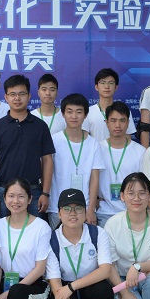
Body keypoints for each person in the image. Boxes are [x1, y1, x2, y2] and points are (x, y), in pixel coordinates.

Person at [46, 189, 116, 299]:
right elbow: (55, 284)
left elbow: (106, 270)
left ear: (85, 213)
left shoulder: (98, 233)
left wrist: (72, 287)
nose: (73, 213)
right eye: (67, 209)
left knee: (104, 290)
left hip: (90, 285)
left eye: (78, 208)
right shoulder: (52, 240)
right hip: (64, 288)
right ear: (59, 214)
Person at [0, 75, 55, 218]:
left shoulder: (40, 126)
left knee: (35, 229)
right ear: (6, 97)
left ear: (29, 96)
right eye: (12, 94)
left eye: (22, 94)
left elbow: (47, 160)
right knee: (3, 230)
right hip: (4, 191)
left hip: (33, 190)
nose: (17, 98)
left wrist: (45, 193)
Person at [47, 93, 105, 228]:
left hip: (83, 208)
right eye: (69, 112)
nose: (74, 116)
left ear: (85, 115)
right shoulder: (54, 141)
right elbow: (47, 171)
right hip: (57, 207)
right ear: (63, 114)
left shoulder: (93, 144)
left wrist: (91, 209)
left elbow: (95, 178)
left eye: (79, 112)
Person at [96, 101, 146, 228]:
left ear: (128, 123)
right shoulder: (97, 149)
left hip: (132, 213)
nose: (117, 125)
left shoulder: (140, 151)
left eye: (122, 120)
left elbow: (145, 185)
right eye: (113, 120)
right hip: (104, 213)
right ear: (106, 123)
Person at [82, 68, 136, 141]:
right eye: (103, 83)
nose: (107, 87)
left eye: (111, 83)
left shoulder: (124, 111)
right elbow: (84, 140)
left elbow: (128, 139)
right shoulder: (88, 112)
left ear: (116, 87)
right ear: (96, 87)